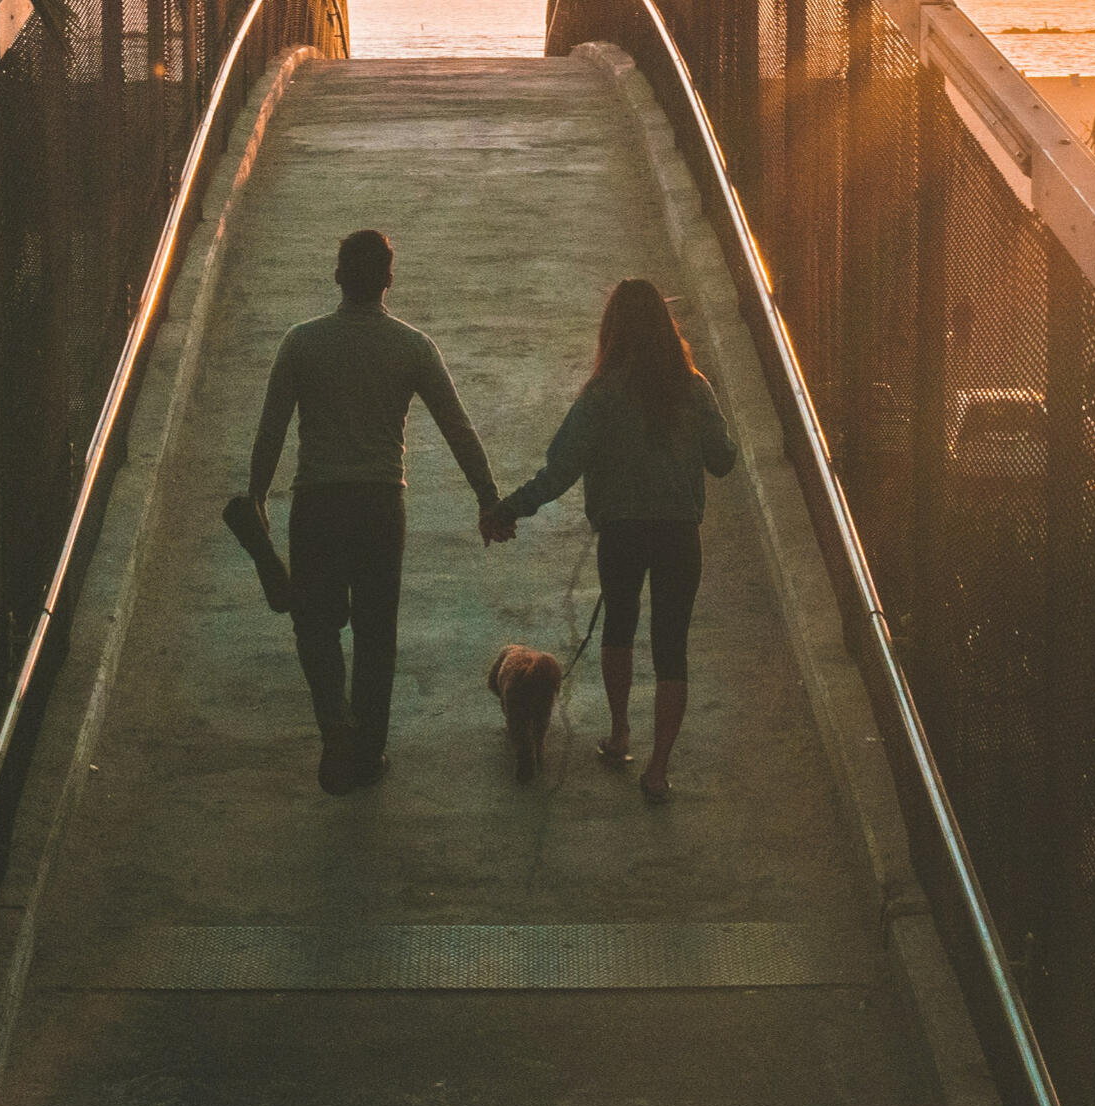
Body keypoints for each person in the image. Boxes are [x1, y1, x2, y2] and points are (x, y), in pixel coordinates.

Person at [247, 227, 503, 794]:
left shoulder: (301, 343)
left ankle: (334, 722)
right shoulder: (412, 346)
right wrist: (487, 497)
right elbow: (458, 428)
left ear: (338, 275)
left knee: (314, 622)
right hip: (381, 505)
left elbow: (271, 430)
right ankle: (367, 754)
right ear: (389, 280)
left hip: (317, 503)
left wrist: (258, 495)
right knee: (375, 630)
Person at [483, 278, 736, 802]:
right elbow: (723, 460)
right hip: (678, 533)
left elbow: (559, 472)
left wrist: (507, 510)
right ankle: (658, 771)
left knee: (618, 627)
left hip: (621, 533)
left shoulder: (600, 395)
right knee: (672, 648)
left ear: (612, 330)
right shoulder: (693, 387)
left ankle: (620, 735)